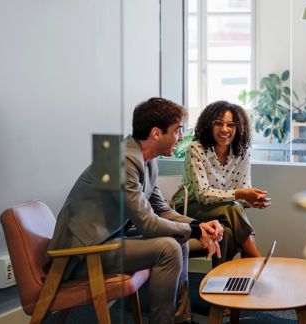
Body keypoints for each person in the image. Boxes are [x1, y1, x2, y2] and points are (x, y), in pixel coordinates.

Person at [49, 97, 224, 324]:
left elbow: (161, 209)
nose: (180, 137)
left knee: (177, 241)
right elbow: (148, 224)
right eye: (177, 131)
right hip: (83, 254)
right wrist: (196, 231)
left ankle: (182, 320)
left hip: (110, 239)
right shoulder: (117, 159)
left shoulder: (148, 160)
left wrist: (198, 225)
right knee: (168, 248)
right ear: (156, 133)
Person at [172, 100, 270, 266]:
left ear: (238, 128)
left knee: (227, 232)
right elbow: (203, 195)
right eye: (219, 123)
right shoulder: (196, 148)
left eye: (231, 125)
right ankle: (257, 261)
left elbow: (243, 193)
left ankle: (219, 283)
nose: (224, 129)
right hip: (190, 210)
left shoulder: (242, 153)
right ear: (209, 125)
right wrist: (241, 194)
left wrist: (252, 200)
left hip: (224, 213)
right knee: (232, 207)